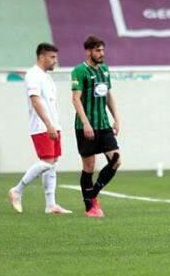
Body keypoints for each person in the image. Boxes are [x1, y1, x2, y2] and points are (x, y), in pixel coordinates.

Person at [8, 43, 72, 214]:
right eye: (52, 57)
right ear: (42, 57)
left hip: (53, 125)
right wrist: (48, 124)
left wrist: (55, 124)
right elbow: (35, 100)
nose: (55, 61)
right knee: (47, 162)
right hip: (41, 126)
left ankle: (51, 204)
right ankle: (17, 190)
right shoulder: (33, 75)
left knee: (53, 163)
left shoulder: (47, 77)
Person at [71, 36, 122, 217]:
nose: (102, 53)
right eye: (98, 50)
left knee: (116, 160)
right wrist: (85, 123)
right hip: (86, 126)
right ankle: (90, 207)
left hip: (104, 125)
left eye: (102, 50)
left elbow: (108, 95)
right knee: (89, 166)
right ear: (88, 51)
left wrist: (116, 118)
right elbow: (76, 99)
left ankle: (93, 194)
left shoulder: (105, 70)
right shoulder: (79, 71)